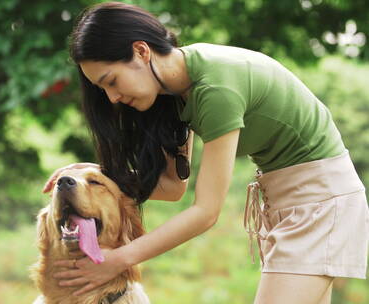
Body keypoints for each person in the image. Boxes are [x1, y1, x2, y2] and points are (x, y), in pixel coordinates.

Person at [41, 2, 369, 303]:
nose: (111, 98)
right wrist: (98, 178)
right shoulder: (176, 90)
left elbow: (206, 212)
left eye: (111, 81)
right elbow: (173, 188)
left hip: (320, 202)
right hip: (287, 204)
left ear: (141, 51)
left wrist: (118, 259)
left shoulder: (215, 87)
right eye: (103, 89)